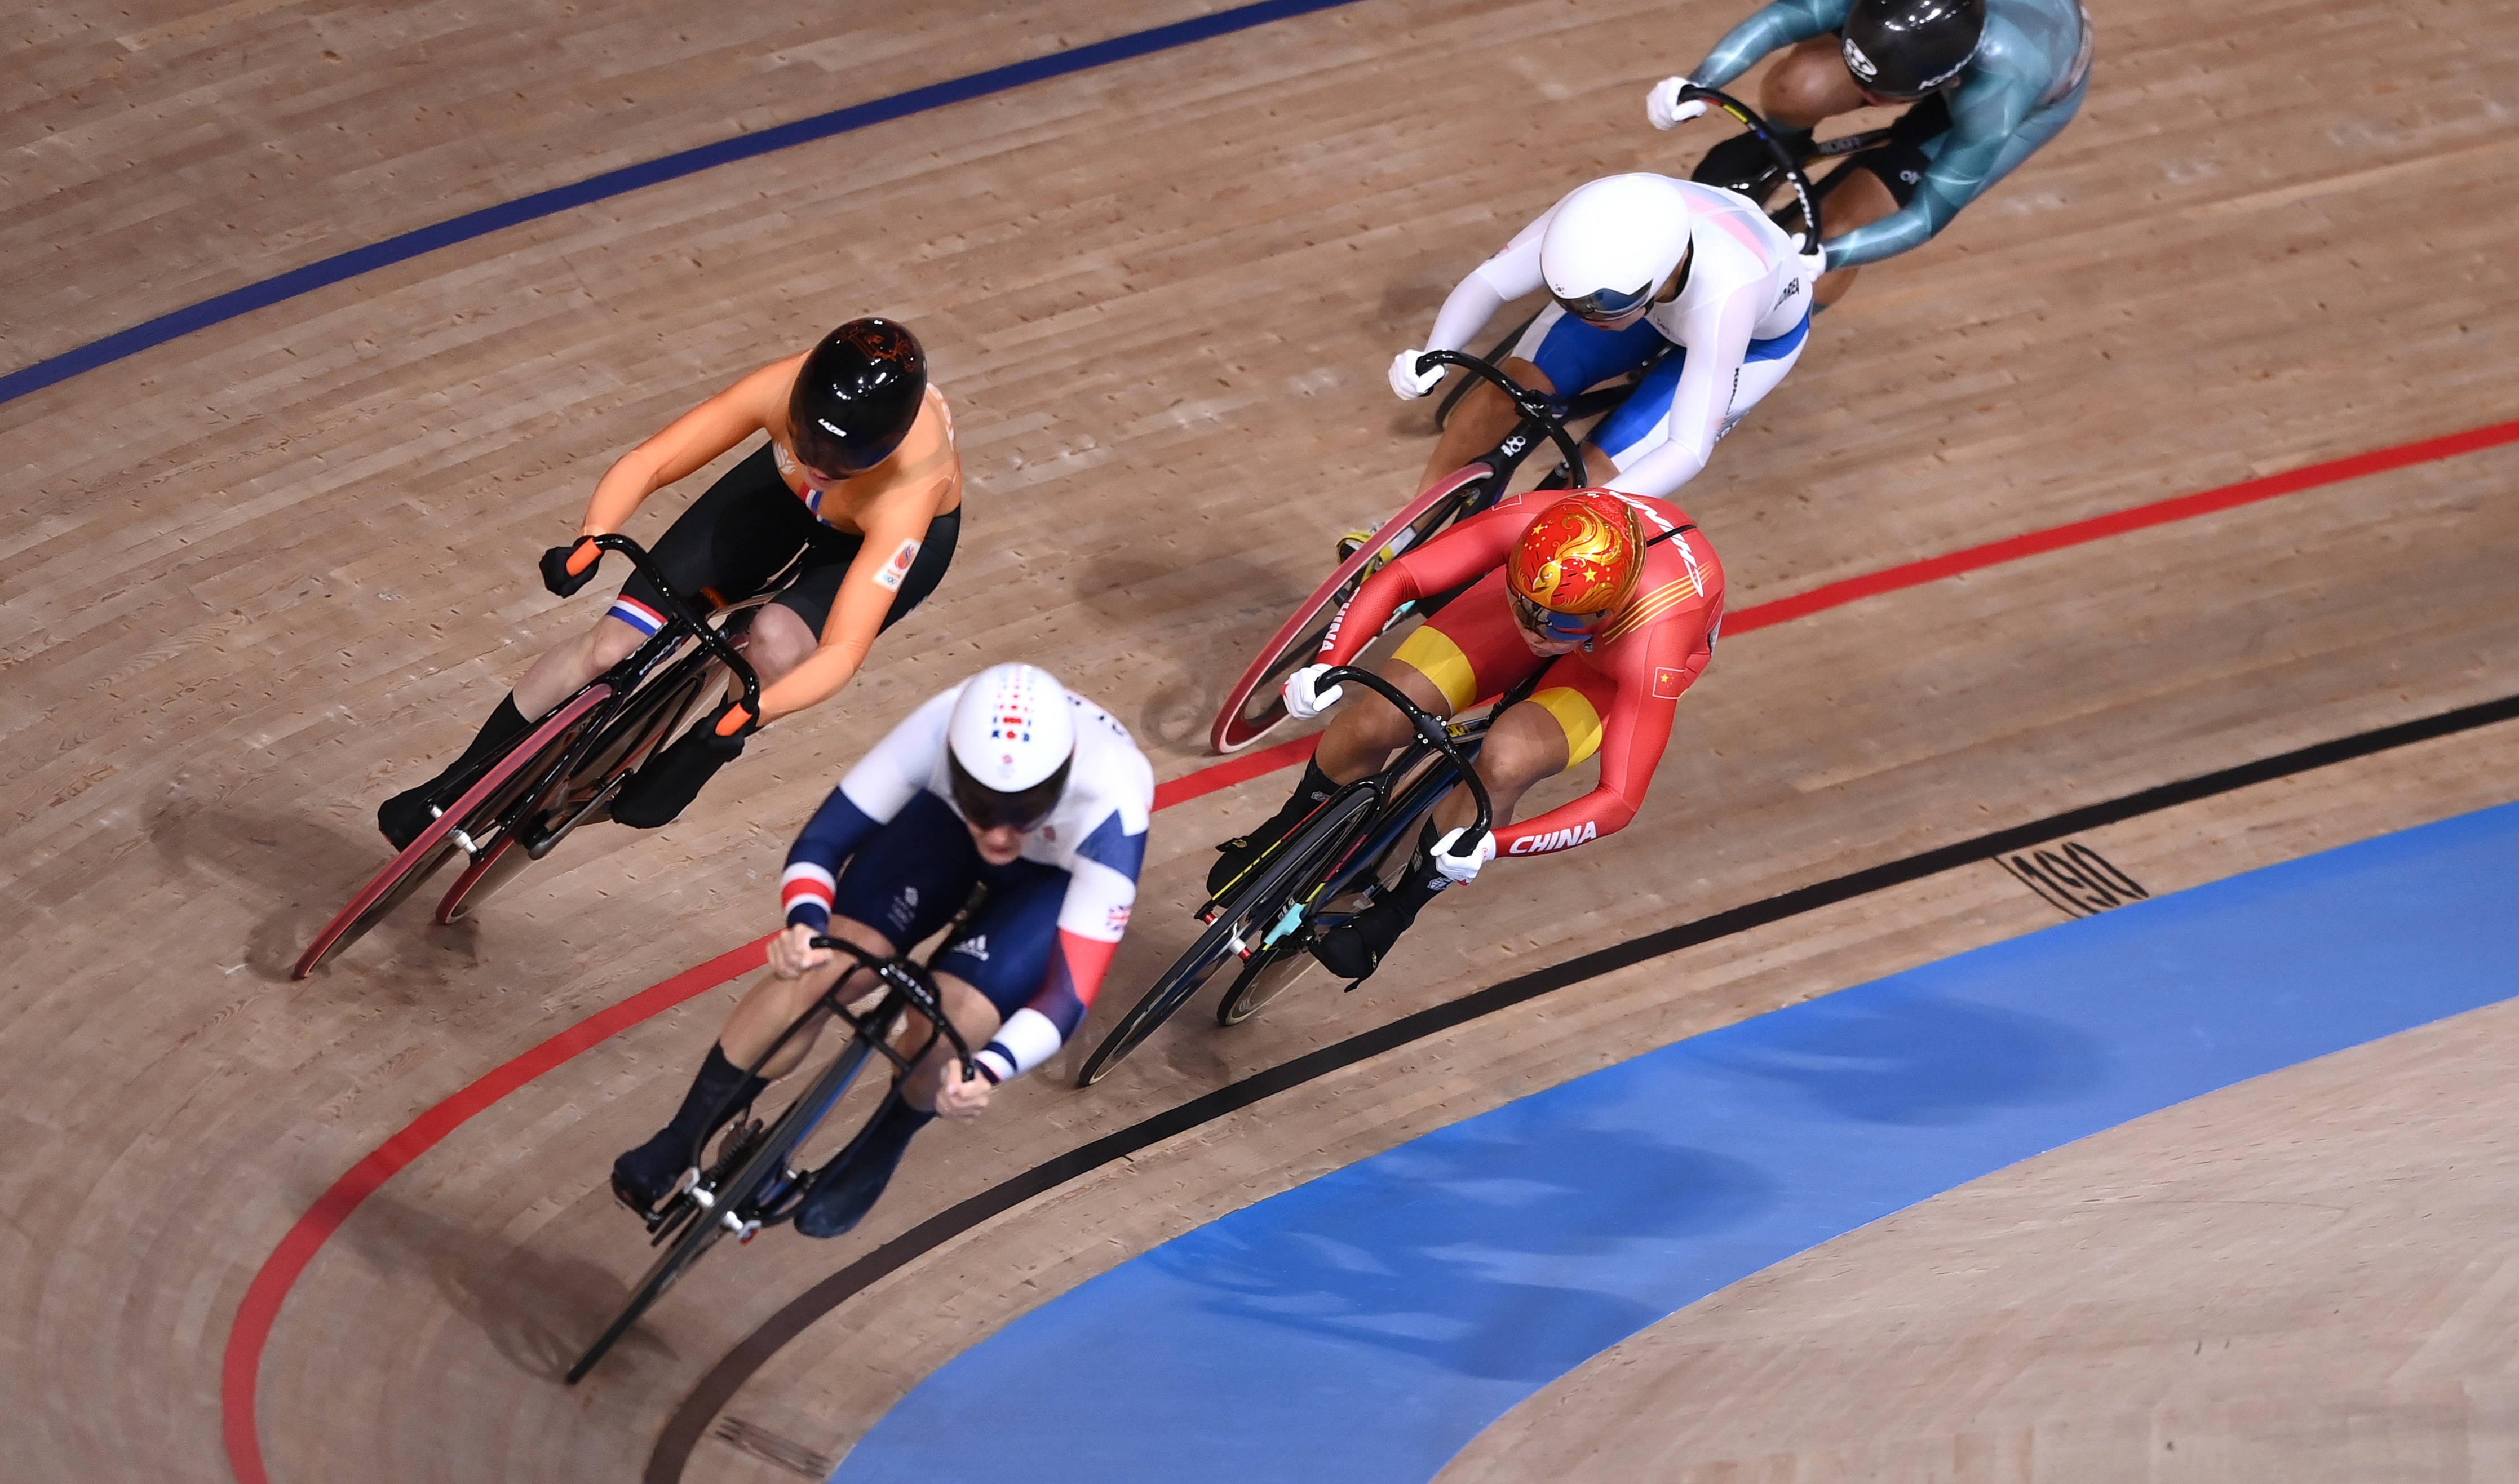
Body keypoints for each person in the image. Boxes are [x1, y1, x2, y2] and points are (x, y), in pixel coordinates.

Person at [376, 317, 964, 850]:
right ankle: (455, 783)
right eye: (810, 443)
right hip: (783, 499)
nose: (822, 466)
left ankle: (704, 744)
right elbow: (654, 460)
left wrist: (748, 716)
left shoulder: (911, 487)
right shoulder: (783, 388)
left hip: (865, 544)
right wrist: (593, 536)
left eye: (842, 460)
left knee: (779, 642)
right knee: (609, 646)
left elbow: (843, 649)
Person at [609, 663, 1151, 1239]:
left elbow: (1066, 997)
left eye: (1024, 810)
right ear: (955, 762)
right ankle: (681, 1136)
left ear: (1063, 779)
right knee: (829, 964)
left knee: (952, 1026)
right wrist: (804, 927)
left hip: (1053, 881)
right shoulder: (939, 723)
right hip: (945, 829)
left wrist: (986, 1071)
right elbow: (822, 842)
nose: (1001, 834)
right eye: (985, 807)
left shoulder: (1112, 804)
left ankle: (885, 1141)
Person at [1208, 489, 1721, 980]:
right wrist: (1328, 662)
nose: (1535, 633)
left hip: (1607, 666)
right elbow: (1402, 577)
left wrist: (1496, 844)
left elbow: (1618, 801)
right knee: (1379, 714)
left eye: (1559, 627)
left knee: (1504, 761)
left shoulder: (1655, 640)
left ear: (1609, 610)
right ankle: (1291, 824)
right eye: (1526, 609)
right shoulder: (1530, 527)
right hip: (1563, 602)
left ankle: (1398, 907)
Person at [1646, 0, 2090, 311]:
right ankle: (1781, 145)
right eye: (1860, 82)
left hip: (2033, 93)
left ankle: (1756, 352)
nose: (1866, 100)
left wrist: (1829, 256)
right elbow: (1780, 19)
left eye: (1879, 96)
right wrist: (1696, 84)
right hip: (1954, 28)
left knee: (1841, 227)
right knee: (1801, 85)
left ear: (1946, 82)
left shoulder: (1999, 91)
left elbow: (1926, 217)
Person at [1387, 171, 1816, 502]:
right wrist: (1435, 354)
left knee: (1594, 482)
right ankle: (1406, 535)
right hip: (1653, 308)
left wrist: (1605, 504)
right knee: (1509, 391)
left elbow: (1686, 447)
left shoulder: (1727, 296)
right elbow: (1491, 282)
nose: (1590, 317)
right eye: (1573, 302)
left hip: (1752, 343)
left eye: (1602, 307)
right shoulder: (1592, 212)